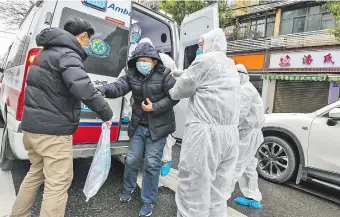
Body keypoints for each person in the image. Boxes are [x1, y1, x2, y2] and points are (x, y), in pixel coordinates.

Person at [9, 18, 113, 217]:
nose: (88, 45)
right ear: (83, 36)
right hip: (53, 133)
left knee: (35, 174)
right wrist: (106, 114)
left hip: (32, 130)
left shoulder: (45, 53)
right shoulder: (68, 54)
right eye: (88, 41)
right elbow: (84, 89)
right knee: (57, 185)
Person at [97, 42, 178, 217]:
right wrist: (102, 90)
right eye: (139, 60)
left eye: (146, 60)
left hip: (159, 128)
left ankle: (148, 201)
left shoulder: (164, 74)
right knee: (132, 160)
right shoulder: (132, 73)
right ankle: (128, 188)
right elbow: (119, 86)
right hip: (139, 125)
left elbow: (174, 96)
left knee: (151, 164)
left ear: (154, 61)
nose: (142, 63)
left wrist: (154, 107)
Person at [169, 28, 240, 217]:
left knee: (192, 189)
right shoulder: (230, 64)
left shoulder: (203, 61)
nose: (199, 49)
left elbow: (180, 90)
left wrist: (170, 85)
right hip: (230, 136)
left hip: (205, 135)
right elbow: (204, 77)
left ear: (209, 44)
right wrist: (179, 72)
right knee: (217, 194)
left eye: (201, 45)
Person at [138, 37, 177, 177]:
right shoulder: (139, 59)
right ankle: (150, 158)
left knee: (163, 132)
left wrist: (161, 103)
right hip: (146, 101)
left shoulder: (165, 59)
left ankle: (166, 160)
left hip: (162, 101)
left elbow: (174, 81)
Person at [228, 64, 265, 209]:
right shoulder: (244, 88)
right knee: (249, 166)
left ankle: (218, 198)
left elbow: (238, 115)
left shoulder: (245, 90)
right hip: (248, 133)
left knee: (235, 165)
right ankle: (253, 197)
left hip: (248, 135)